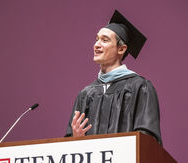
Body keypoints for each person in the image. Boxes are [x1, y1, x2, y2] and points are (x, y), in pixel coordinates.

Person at [65, 10, 162, 145]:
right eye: (97, 39)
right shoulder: (86, 94)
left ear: (121, 49)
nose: (97, 45)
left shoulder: (140, 87)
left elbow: (147, 138)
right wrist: (76, 138)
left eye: (105, 40)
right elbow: (69, 144)